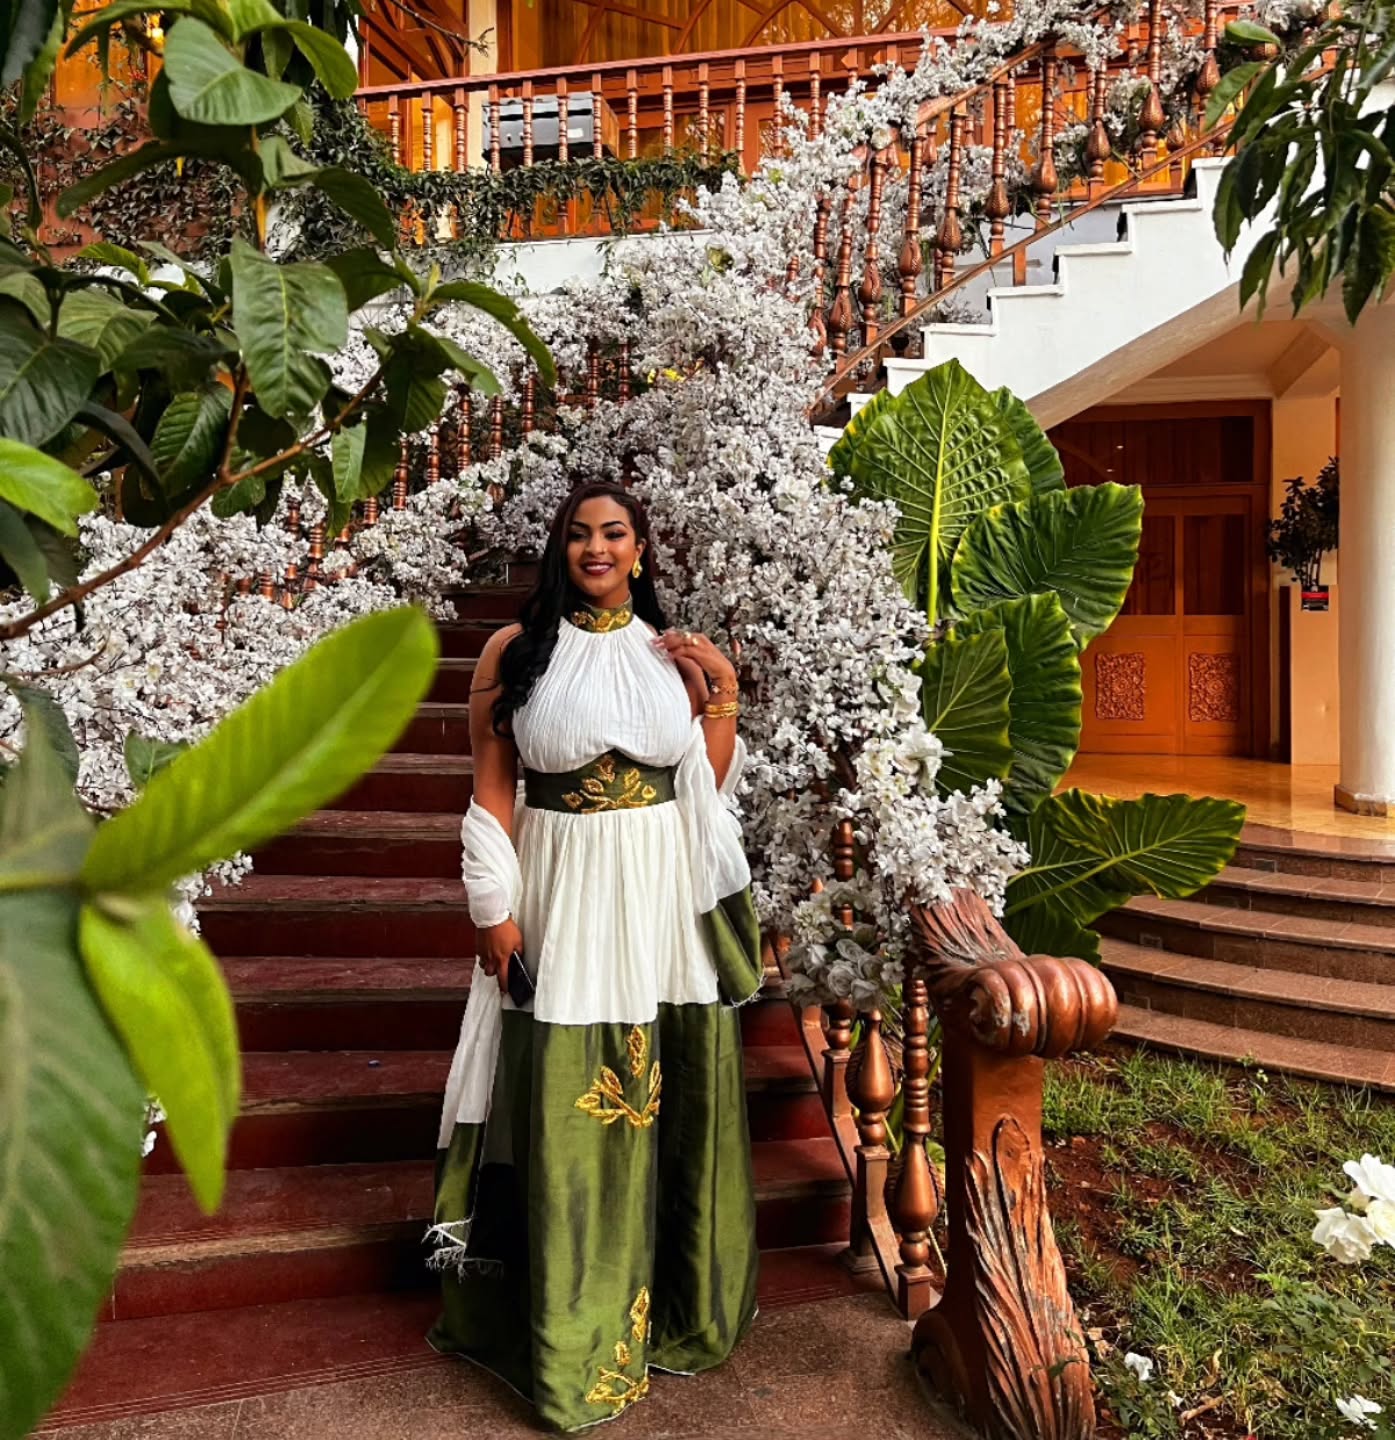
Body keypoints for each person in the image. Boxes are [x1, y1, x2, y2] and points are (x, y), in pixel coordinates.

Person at [428, 479, 764, 1431]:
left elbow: (703, 784)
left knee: (666, 1096)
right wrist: (493, 908)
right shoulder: (511, 653)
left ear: (641, 549)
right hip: (562, 890)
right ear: (558, 549)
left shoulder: (674, 658)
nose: (596, 548)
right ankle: (565, 1333)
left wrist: (722, 691)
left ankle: (674, 1314)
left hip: (659, 899)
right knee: (564, 1102)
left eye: (614, 533)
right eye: (578, 534)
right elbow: (492, 789)